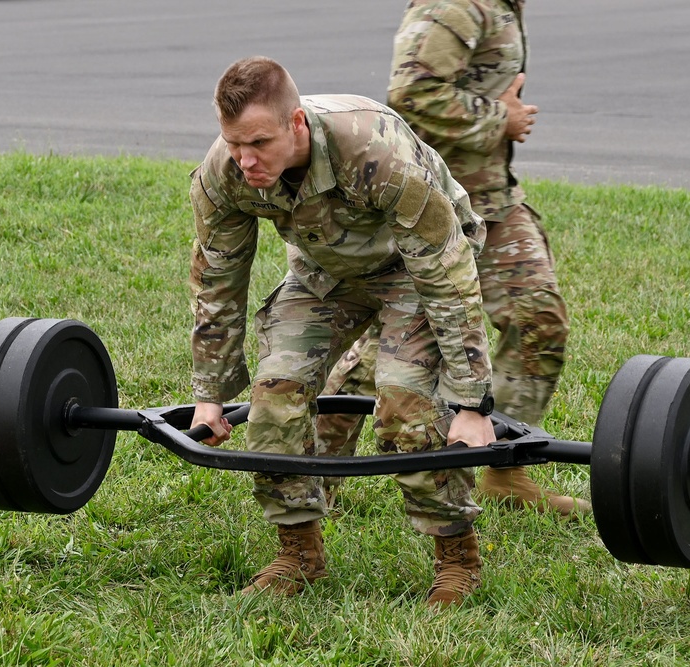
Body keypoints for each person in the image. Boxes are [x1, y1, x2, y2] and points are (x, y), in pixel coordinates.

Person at [188, 56, 498, 608]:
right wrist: (209, 397)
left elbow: (444, 270)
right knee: (275, 397)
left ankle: (457, 560)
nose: (246, 159)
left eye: (259, 142)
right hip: (325, 275)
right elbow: (218, 280)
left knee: (404, 406)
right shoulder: (226, 172)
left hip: (414, 269)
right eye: (235, 143)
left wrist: (473, 402)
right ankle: (298, 554)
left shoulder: (374, 149)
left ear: (297, 125)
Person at [316, 0, 592, 516]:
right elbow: (411, 95)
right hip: (432, 206)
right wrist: (498, 119)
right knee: (388, 352)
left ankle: (505, 471)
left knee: (538, 320)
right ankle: (317, 477)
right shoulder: (457, 5)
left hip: (493, 201)